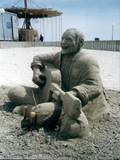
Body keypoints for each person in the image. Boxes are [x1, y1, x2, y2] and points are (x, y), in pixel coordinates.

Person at [8, 28, 109, 138]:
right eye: (62, 38)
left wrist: (72, 93)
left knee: (40, 112)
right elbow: (38, 57)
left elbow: (95, 86)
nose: (63, 42)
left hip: (74, 103)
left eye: (68, 39)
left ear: (80, 43)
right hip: (52, 95)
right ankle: (34, 108)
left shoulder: (88, 61)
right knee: (14, 92)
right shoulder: (59, 56)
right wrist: (36, 70)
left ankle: (29, 109)